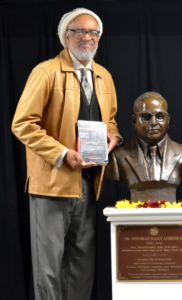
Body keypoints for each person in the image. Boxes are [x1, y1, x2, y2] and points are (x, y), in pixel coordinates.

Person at [11, 8, 122, 300]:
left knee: (82, 267)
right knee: (48, 268)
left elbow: (111, 120)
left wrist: (114, 137)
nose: (87, 38)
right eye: (80, 32)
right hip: (51, 186)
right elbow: (22, 124)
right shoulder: (45, 72)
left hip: (87, 183)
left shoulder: (104, 76)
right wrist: (62, 153)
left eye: (93, 32)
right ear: (65, 37)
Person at [105, 92, 182, 202]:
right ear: (134, 121)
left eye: (160, 116)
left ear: (168, 120)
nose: (154, 122)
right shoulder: (117, 158)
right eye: (146, 117)